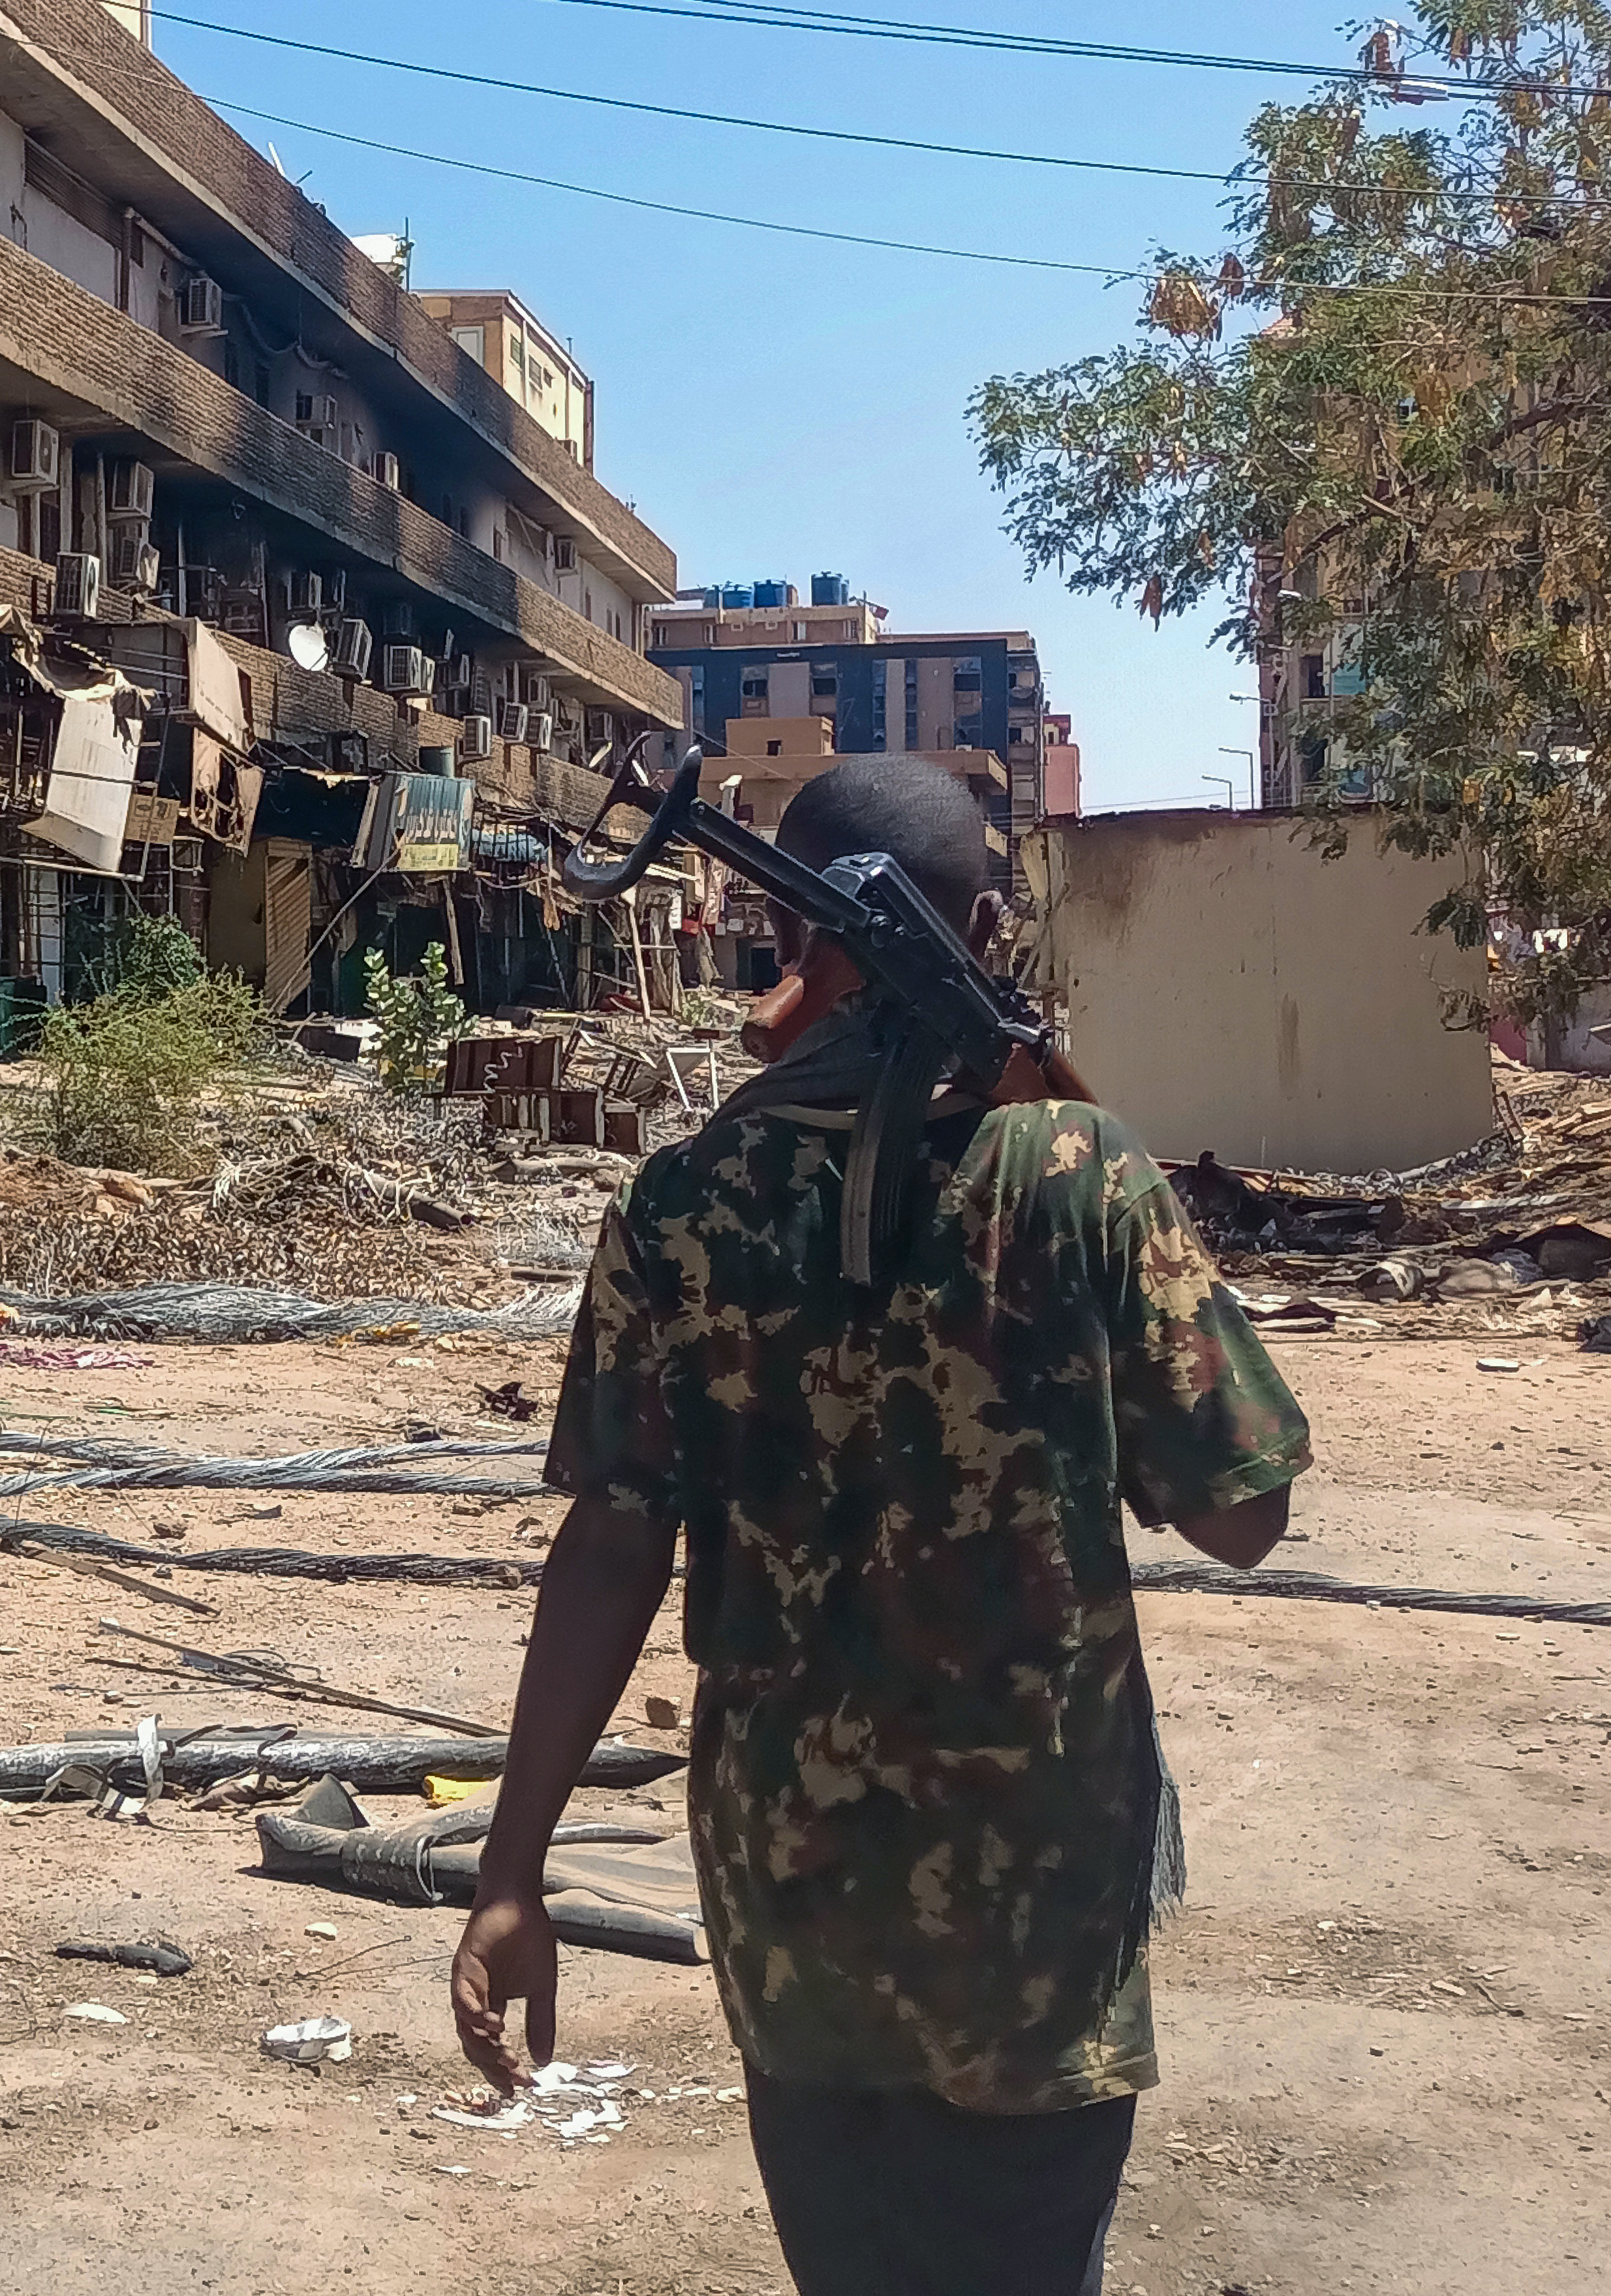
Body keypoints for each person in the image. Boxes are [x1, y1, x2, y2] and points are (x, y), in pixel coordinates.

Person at [450, 755, 1310, 2296]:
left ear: (790, 938)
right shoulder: (1071, 1173)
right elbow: (1241, 1508)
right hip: (1028, 1889)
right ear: (980, 926)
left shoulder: (677, 1205)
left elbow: (605, 1549)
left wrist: (511, 1870)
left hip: (793, 1886)